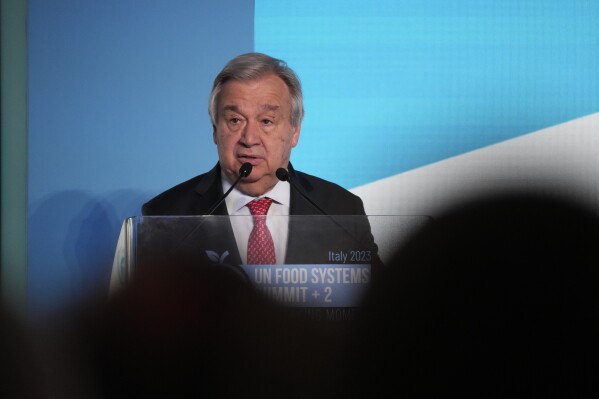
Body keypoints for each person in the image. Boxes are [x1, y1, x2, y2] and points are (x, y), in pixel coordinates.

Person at [141, 53, 378, 269]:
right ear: (215, 130)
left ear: (295, 131)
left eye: (266, 121)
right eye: (235, 120)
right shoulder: (166, 215)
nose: (249, 138)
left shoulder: (340, 211)